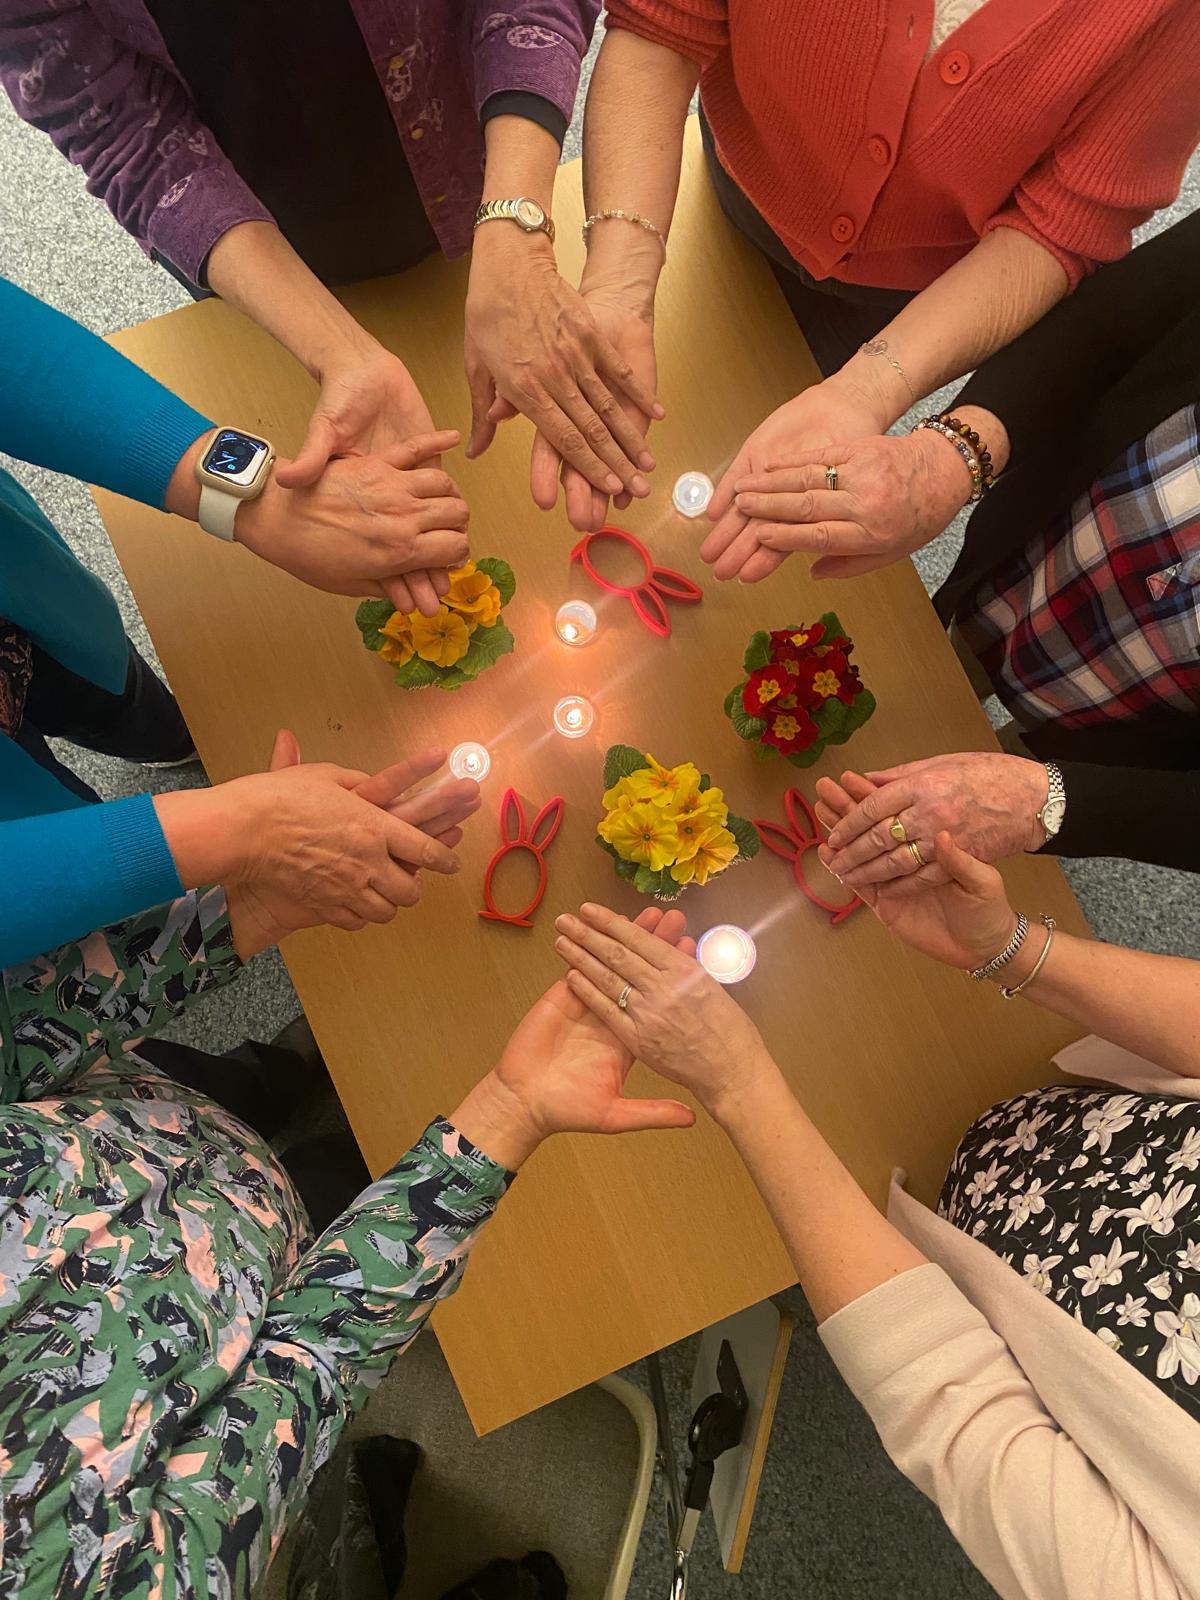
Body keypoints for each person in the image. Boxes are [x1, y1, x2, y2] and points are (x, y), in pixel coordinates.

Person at [552, 826, 1200, 1599]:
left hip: (955, 1280)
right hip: (1053, 1125)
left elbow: (960, 1414)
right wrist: (1011, 946)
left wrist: (737, 1083)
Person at [0, 891, 696, 1598]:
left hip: (123, 1100)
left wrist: (233, 916)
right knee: (354, 1166)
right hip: (282, 1257)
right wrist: (505, 1114)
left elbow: (18, 1029)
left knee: (250, 1080)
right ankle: (333, 1128)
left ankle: (280, 1075)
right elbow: (312, 1367)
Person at [529, 1, 1200, 535]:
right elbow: (662, 28)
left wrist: (869, 389)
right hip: (736, 173)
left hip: (913, 298)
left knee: (767, 440)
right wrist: (619, 285)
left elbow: (1062, 225)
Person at [0, 2, 666, 521]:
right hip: (249, 250)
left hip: (464, 154)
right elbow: (124, 131)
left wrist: (514, 225)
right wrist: (334, 352)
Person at [0, 272, 478, 966]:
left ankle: (165, 741)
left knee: (108, 688)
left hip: (21, 611)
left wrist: (252, 496)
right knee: (72, 859)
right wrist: (238, 830)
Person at [730, 214, 1199, 881]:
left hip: (1132, 730)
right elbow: (1125, 314)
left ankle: (1013, 746)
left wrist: (1050, 798)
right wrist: (957, 454)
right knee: (936, 685)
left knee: (989, 784)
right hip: (1027, 564)